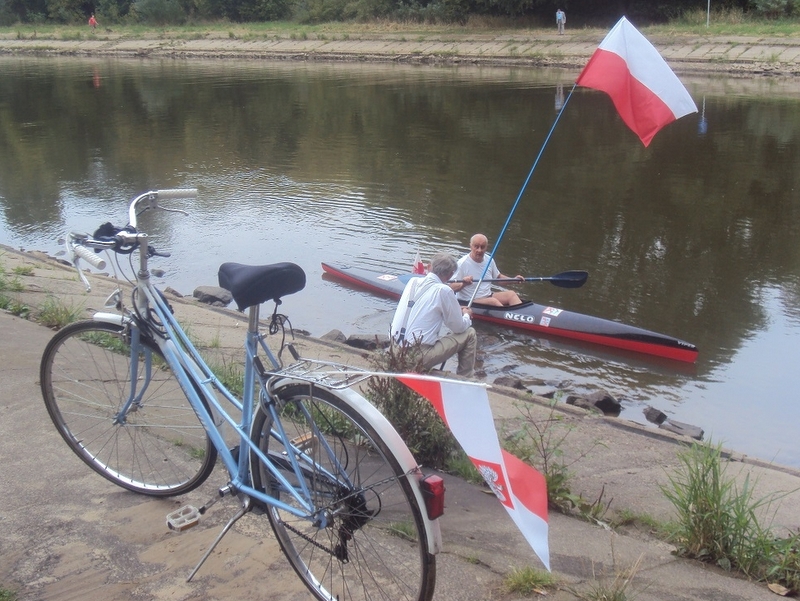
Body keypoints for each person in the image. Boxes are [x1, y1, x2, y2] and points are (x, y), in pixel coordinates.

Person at [390, 253, 477, 377]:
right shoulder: (444, 290)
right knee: (470, 333)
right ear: (451, 274)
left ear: (429, 267)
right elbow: (459, 327)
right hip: (416, 356)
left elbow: (426, 306)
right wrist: (466, 315)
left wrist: (455, 309)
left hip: (394, 349)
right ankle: (465, 378)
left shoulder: (412, 282)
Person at [451, 233, 523, 307]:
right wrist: (464, 284)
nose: (479, 250)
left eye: (482, 247)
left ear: (486, 247)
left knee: (511, 294)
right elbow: (451, 287)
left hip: (488, 296)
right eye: (476, 246)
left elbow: (498, 278)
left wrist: (514, 280)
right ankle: (507, 317)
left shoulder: (489, 260)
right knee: (493, 301)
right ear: (471, 246)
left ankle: (523, 316)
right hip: (469, 301)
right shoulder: (462, 263)